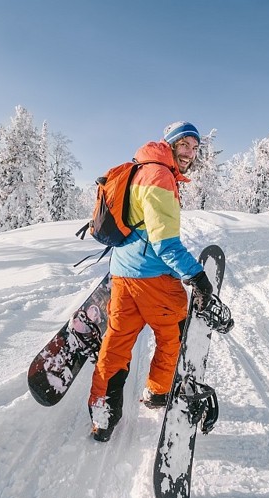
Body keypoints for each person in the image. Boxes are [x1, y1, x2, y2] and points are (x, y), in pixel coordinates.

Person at [88, 121, 221, 442]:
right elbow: (165, 243)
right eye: (185, 145)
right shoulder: (160, 176)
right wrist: (198, 277)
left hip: (122, 273)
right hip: (153, 276)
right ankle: (158, 392)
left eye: (195, 147)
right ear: (170, 144)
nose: (190, 152)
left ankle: (103, 415)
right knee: (175, 333)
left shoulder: (139, 169)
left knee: (116, 343)